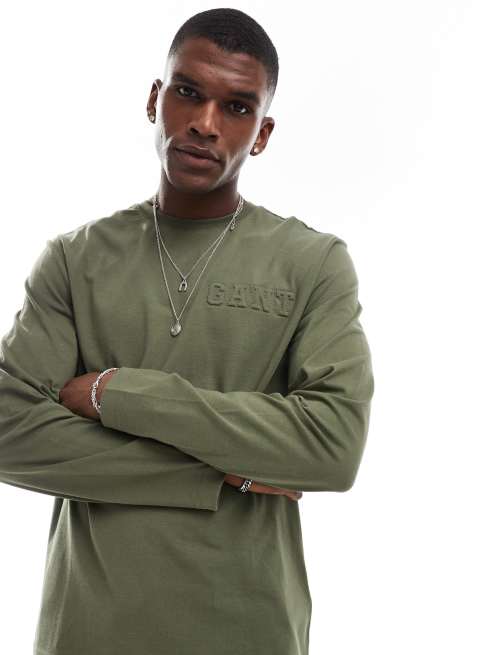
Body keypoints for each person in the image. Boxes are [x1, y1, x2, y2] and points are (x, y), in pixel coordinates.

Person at [0, 8, 374, 655]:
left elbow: (331, 446)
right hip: (88, 633)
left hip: (248, 630)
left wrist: (118, 393)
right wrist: (220, 474)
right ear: (155, 99)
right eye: (188, 92)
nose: (205, 123)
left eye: (237, 107)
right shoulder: (75, 259)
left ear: (261, 133)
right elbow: (8, 430)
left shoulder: (312, 262)